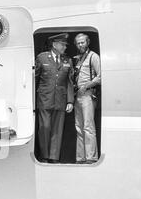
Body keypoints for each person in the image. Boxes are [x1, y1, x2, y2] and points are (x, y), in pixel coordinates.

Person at [35, 33, 74, 163]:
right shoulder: (42, 58)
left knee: (58, 130)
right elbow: (35, 79)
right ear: (54, 45)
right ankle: (44, 156)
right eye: (62, 45)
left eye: (65, 45)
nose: (64, 47)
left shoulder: (67, 60)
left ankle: (53, 157)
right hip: (45, 99)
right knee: (45, 128)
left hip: (60, 100)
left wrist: (70, 101)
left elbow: (69, 82)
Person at [73, 33, 101, 164]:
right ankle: (80, 158)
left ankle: (91, 157)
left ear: (87, 42)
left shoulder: (93, 56)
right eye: (78, 43)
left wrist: (86, 86)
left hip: (88, 95)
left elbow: (100, 77)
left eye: (82, 42)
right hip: (78, 96)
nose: (80, 45)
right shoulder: (78, 58)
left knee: (88, 127)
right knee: (78, 127)